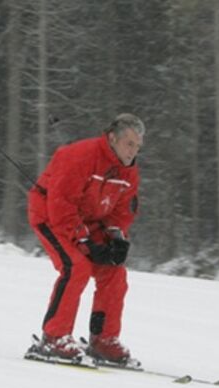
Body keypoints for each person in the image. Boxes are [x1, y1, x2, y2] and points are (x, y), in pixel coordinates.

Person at [26, 113, 144, 364]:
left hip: (88, 223)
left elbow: (121, 212)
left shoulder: (129, 172)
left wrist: (116, 239)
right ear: (112, 138)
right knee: (76, 267)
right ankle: (54, 337)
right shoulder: (79, 156)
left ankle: (103, 339)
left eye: (137, 146)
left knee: (114, 272)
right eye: (129, 144)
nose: (133, 152)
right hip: (50, 215)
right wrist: (85, 242)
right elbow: (61, 206)